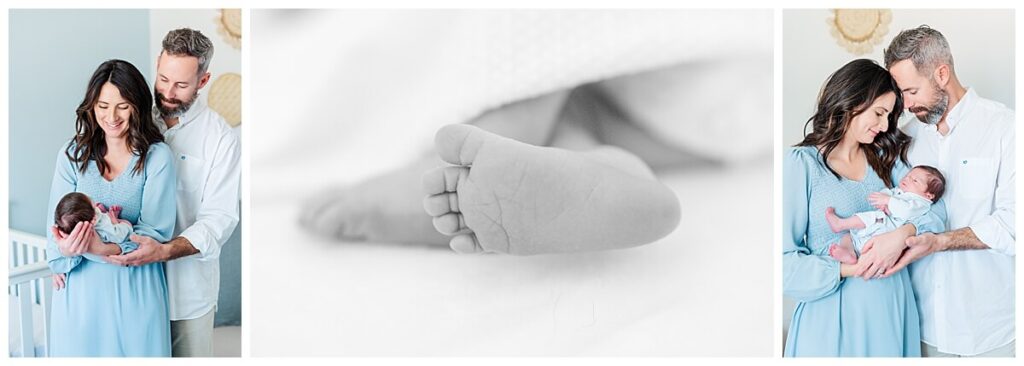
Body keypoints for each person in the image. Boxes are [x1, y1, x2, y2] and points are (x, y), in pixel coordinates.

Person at [861, 25, 1015, 357]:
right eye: (900, 93)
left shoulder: (1006, 128)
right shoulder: (906, 139)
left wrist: (939, 242)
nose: (905, 103)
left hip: (990, 332)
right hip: (921, 329)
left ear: (941, 74)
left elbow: (1014, 225)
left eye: (911, 91)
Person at [783, 58, 945, 357]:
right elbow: (782, 262)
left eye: (889, 117)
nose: (884, 126)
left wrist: (901, 235)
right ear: (852, 101)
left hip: (893, 308)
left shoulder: (886, 158)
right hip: (832, 314)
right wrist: (849, 268)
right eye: (879, 113)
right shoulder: (801, 165)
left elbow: (935, 213)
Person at [102, 28, 241, 357]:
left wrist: (162, 252)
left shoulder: (220, 139)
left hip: (186, 295)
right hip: (131, 289)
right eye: (163, 79)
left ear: (203, 81)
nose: (167, 92)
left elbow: (219, 219)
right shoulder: (132, 118)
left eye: (181, 85)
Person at [46, 59, 177, 356]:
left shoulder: (157, 158)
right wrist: (65, 253)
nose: (112, 116)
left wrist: (102, 249)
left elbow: (155, 232)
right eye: (103, 106)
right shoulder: (72, 156)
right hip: (79, 297)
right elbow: (54, 237)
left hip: (136, 291)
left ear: (138, 106)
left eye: (123, 106)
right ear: (92, 106)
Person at [825, 165, 945, 264]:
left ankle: (840, 224)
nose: (907, 179)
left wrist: (888, 201)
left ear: (929, 195)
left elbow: (906, 211)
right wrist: (883, 200)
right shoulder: (901, 192)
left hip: (886, 230)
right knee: (847, 237)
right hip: (878, 227)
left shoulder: (920, 203)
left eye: (915, 180)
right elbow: (888, 193)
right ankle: (849, 254)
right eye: (908, 176)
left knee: (868, 218)